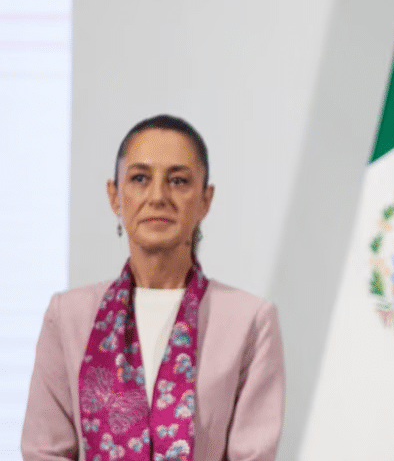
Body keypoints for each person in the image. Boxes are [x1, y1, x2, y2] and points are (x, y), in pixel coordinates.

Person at [22, 115, 285, 461]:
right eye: (140, 178)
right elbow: (44, 451)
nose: (158, 196)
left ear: (205, 200)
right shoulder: (68, 316)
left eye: (178, 180)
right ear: (115, 196)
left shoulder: (250, 320)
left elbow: (253, 455)